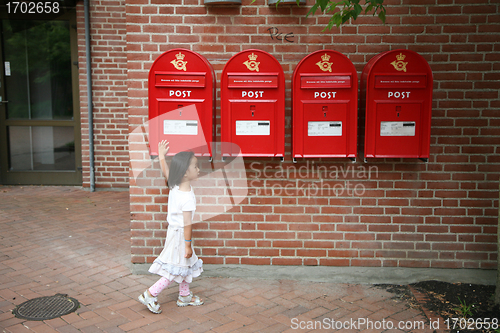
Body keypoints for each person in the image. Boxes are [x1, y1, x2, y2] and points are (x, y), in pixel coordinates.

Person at [138, 140, 204, 313]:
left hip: (174, 233)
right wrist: (188, 244)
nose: (199, 169)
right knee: (175, 269)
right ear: (184, 174)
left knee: (184, 264)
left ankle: (184, 295)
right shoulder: (187, 198)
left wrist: (161, 157)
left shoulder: (175, 186)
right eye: (195, 167)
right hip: (181, 236)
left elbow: (167, 174)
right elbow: (188, 224)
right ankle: (150, 294)